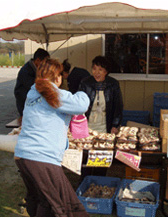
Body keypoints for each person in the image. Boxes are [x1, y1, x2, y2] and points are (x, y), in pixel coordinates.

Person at [14, 58, 90, 217]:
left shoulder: (32, 92)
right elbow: (81, 104)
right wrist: (82, 90)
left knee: (42, 201)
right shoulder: (54, 93)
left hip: (23, 156)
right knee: (65, 206)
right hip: (42, 158)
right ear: (57, 78)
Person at [79, 55, 123, 178]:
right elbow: (78, 105)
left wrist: (115, 124)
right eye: (94, 69)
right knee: (86, 161)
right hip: (88, 128)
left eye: (100, 70)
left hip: (105, 127)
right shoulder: (85, 83)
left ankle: (99, 181)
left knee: (101, 161)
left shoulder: (113, 84)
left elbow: (118, 106)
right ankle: (85, 182)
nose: (96, 73)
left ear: (106, 71)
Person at [14, 48, 50, 118]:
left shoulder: (36, 68)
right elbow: (34, 86)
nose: (45, 65)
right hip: (24, 101)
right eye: (45, 62)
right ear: (38, 60)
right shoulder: (26, 71)